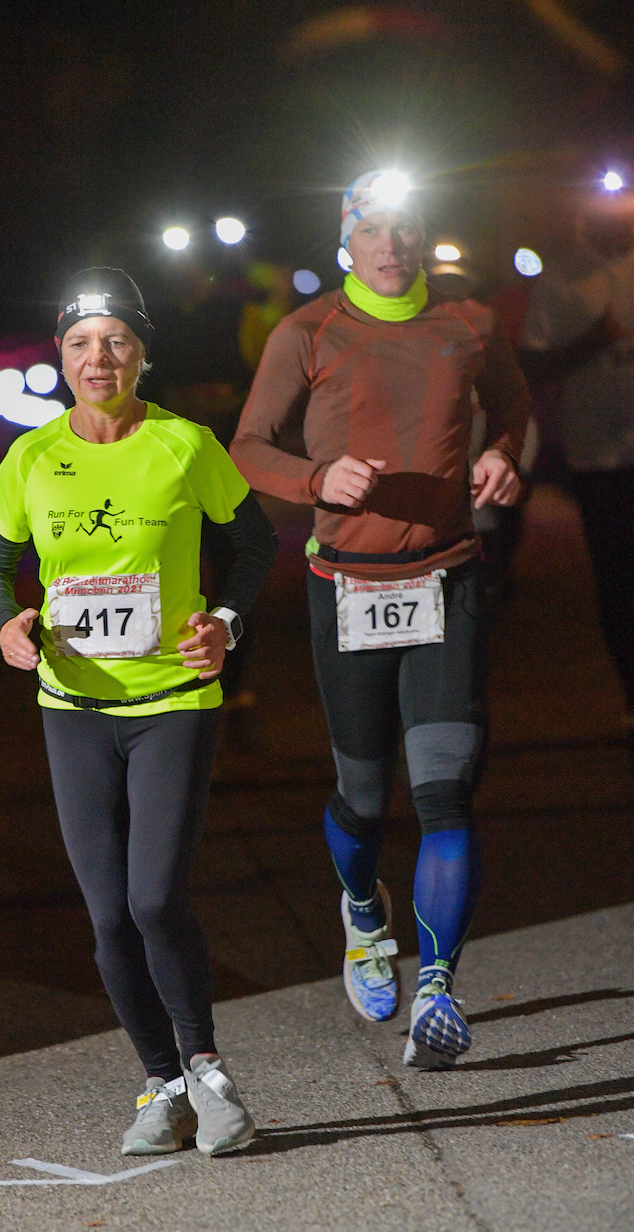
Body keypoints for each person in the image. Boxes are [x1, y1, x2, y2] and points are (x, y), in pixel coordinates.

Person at [0, 268, 278, 1151]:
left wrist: (224, 621)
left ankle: (208, 1070)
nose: (97, 358)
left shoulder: (185, 445)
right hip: (71, 706)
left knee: (154, 900)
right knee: (106, 913)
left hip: (174, 700)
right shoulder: (32, 456)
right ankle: (161, 1087)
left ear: (142, 352)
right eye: (78, 343)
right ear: (60, 358)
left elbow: (252, 545)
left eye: (114, 341)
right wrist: (7, 624)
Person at [231, 171, 530, 1068]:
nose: (390, 246)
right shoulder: (306, 333)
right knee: (365, 796)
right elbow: (247, 446)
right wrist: (316, 481)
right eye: (371, 230)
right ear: (345, 242)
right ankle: (364, 915)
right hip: (347, 586)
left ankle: (437, 987)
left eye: (405, 229)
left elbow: (514, 409)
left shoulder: (471, 322)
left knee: (445, 789)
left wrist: (504, 458)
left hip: (448, 579)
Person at [521, 192, 634, 747]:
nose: (616, 220)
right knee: (617, 576)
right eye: (604, 213)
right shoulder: (561, 279)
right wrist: (594, 341)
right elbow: (534, 362)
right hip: (598, 455)